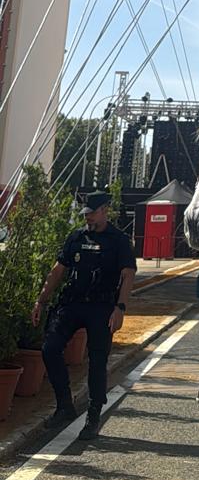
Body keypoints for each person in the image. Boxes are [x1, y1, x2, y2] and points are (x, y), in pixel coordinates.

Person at [34, 189, 137, 440]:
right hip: (72, 303)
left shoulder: (120, 241)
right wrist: (41, 300)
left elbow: (127, 275)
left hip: (101, 307)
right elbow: (58, 270)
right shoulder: (77, 237)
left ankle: (93, 414)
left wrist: (120, 308)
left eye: (91, 213)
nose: (87, 218)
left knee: (98, 359)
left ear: (104, 211)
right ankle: (64, 405)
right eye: (85, 214)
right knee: (50, 348)